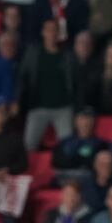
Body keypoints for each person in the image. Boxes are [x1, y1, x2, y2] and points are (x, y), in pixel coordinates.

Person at [19, 19, 75, 151]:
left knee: (68, 148)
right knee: (28, 146)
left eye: (55, 30)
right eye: (48, 30)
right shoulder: (33, 54)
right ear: (43, 33)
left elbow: (75, 83)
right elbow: (23, 78)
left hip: (63, 108)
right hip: (38, 108)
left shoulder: (67, 56)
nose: (52, 34)